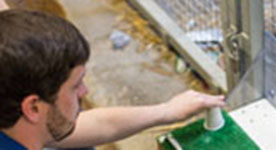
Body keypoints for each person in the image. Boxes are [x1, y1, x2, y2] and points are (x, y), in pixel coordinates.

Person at [0, 9, 225, 150]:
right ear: (33, 107)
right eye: (75, 86)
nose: (85, 92)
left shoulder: (17, 124)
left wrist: (168, 111)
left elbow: (97, 125)